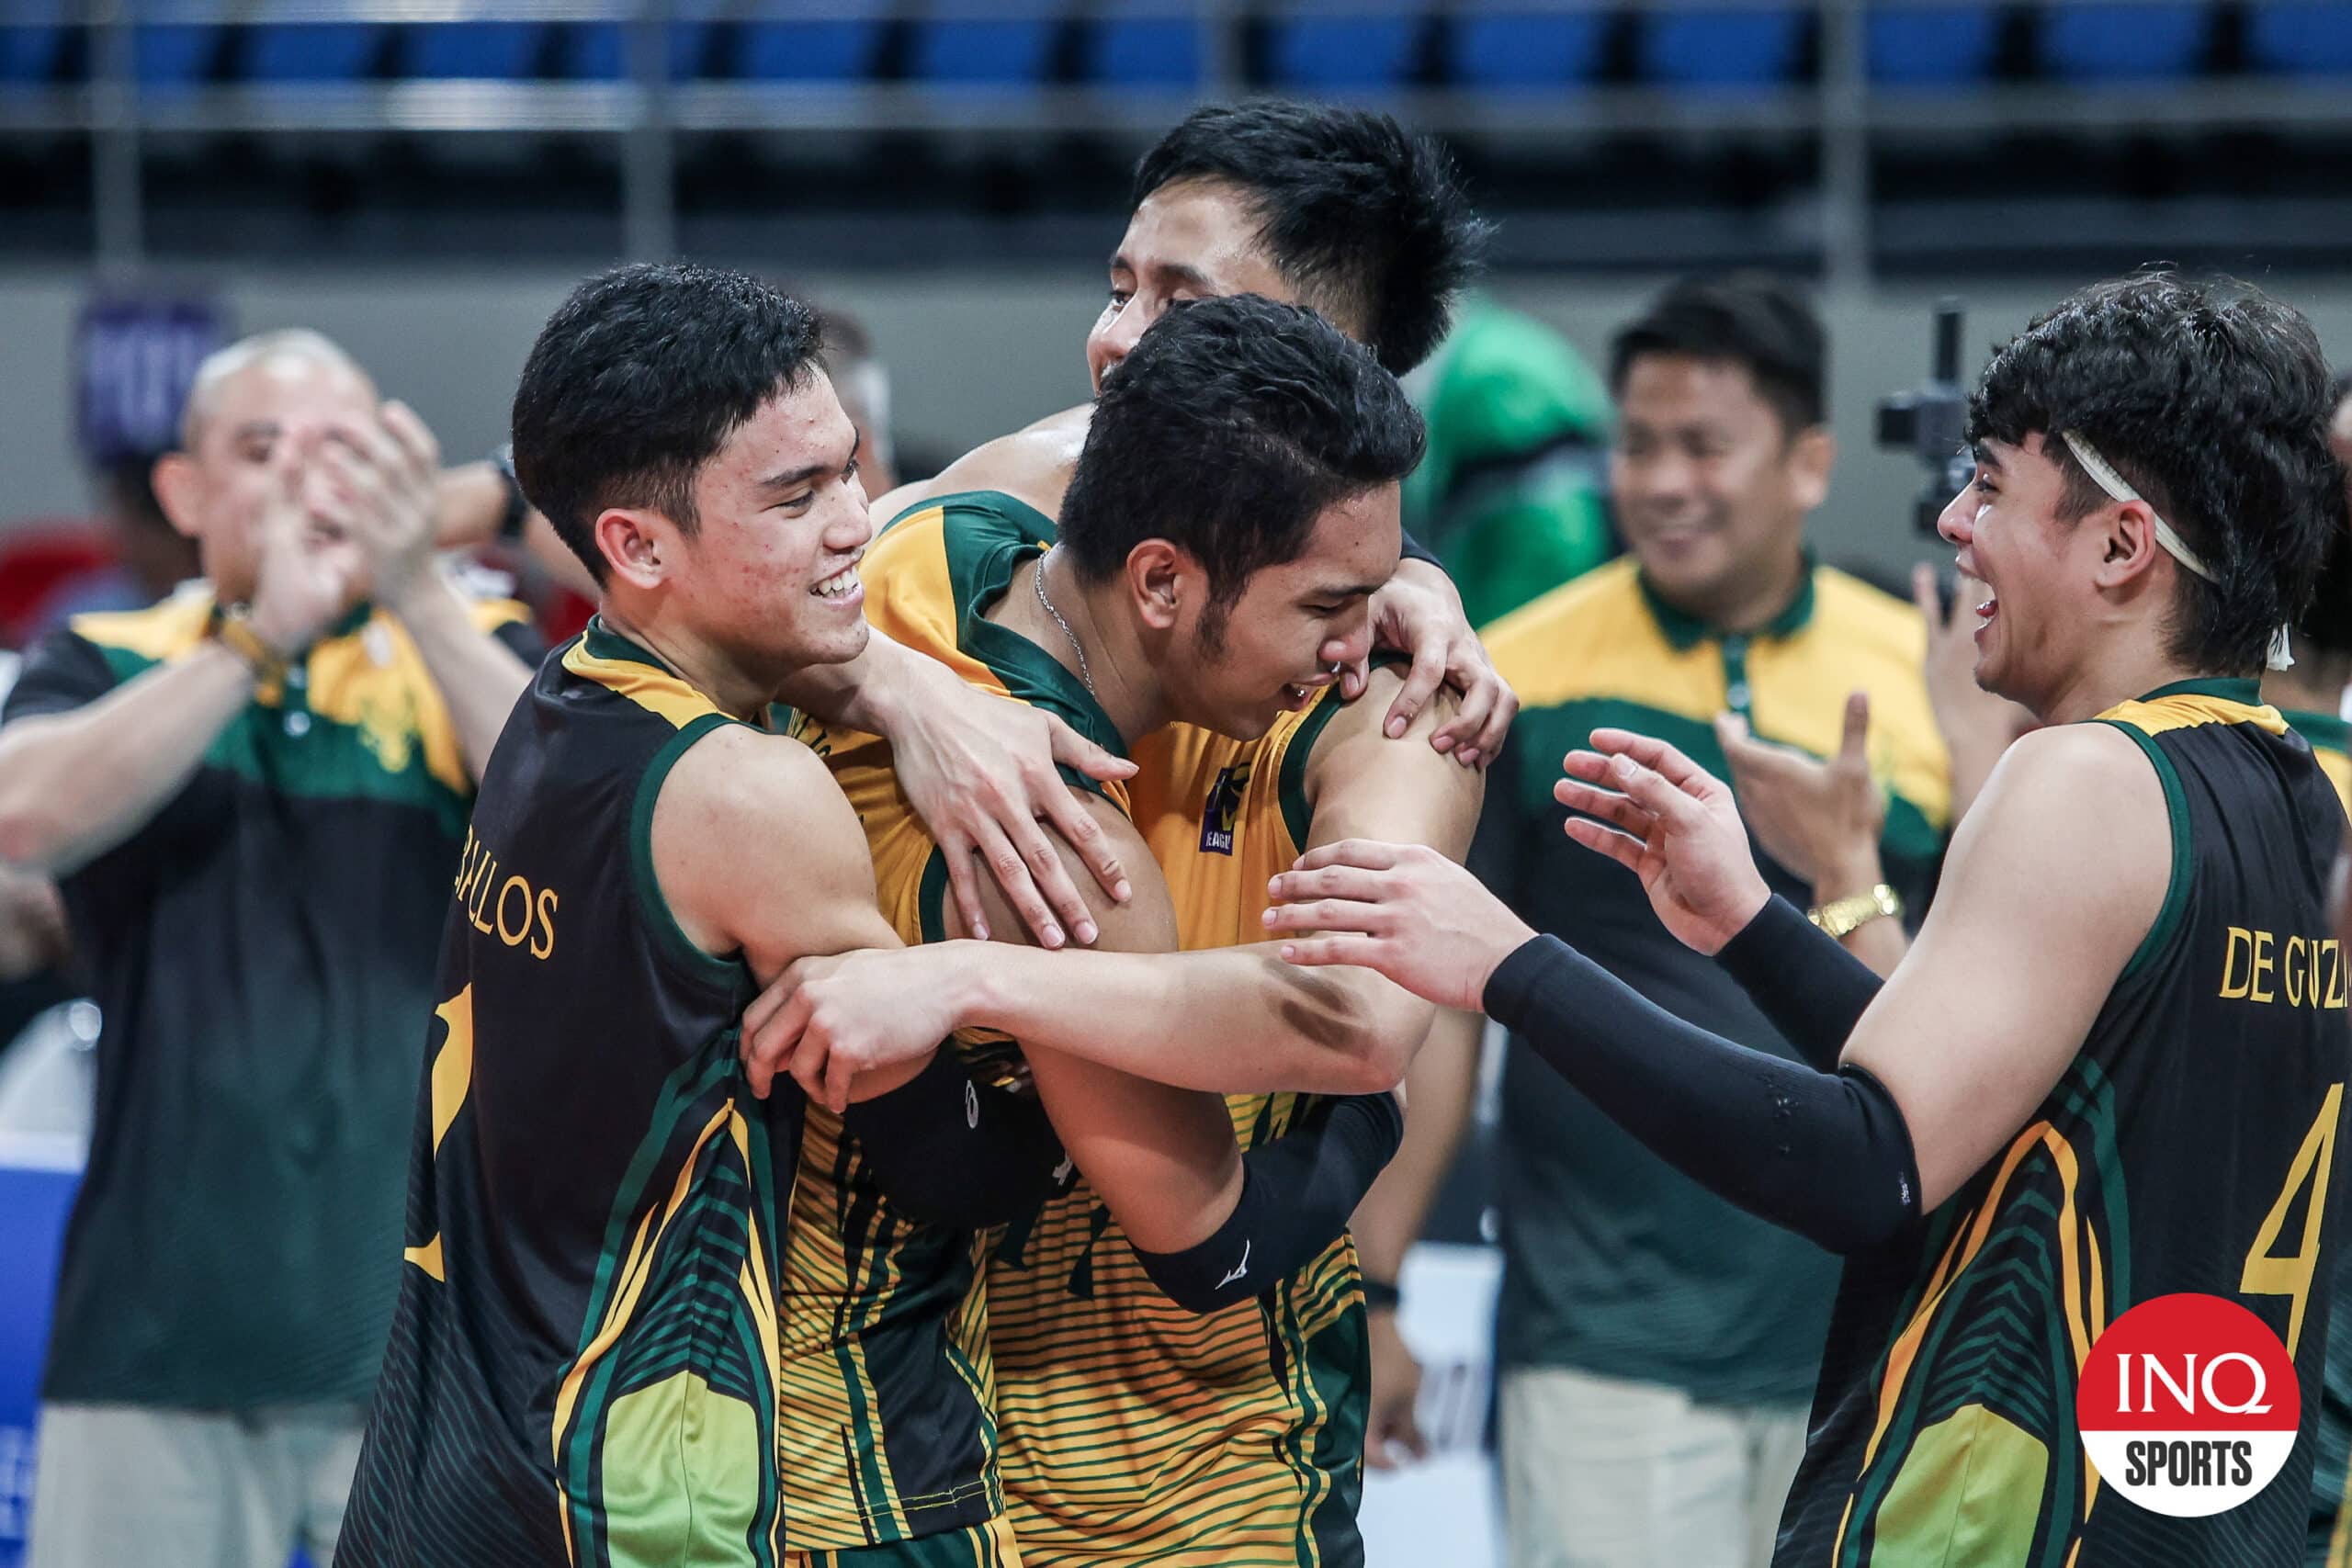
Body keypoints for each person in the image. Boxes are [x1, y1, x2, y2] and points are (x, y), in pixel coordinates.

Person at [1264, 271, 2351, 1566]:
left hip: (2004, 1522)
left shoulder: (2085, 779)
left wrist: (1510, 963)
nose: (1952, 521)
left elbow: (1870, 1165)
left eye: (1993, 485)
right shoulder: (2299, 797)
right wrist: (1751, 923)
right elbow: (1989, 1117)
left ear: (2123, 545)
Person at [339, 263, 1098, 1565]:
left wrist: (904, 692)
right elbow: (955, 1166)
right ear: (634, 545)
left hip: (447, 1460)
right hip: (624, 1502)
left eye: (851, 470)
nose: (859, 523)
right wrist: (1043, 997)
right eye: (796, 497)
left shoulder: (556, 699)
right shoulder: (751, 796)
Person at [748, 294, 1482, 1566]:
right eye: (1328, 608)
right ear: (1159, 578)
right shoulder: (1064, 850)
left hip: (712, 1417)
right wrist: (1372, 1113)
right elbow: (1225, 1227)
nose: (1363, 652)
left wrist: (1418, 583)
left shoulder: (936, 542)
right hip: (880, 1465)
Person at [1384, 274, 1958, 1568]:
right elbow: (1445, 1004)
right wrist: (1381, 1282)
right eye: (1639, 446)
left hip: (1872, 1348)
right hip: (1605, 1351)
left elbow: (1968, 1012)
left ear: (1810, 463)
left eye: (1706, 446)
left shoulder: (1930, 682)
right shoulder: (1513, 674)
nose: (1662, 483)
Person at [0, 328, 537, 1568]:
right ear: (184, 494)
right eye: (261, 449)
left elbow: (594, 818)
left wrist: (411, 591)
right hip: (150, 1356)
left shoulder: (460, 646)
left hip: (429, 1365)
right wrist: (257, 641)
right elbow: (23, 813)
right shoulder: (110, 656)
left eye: (342, 448)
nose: (310, 482)